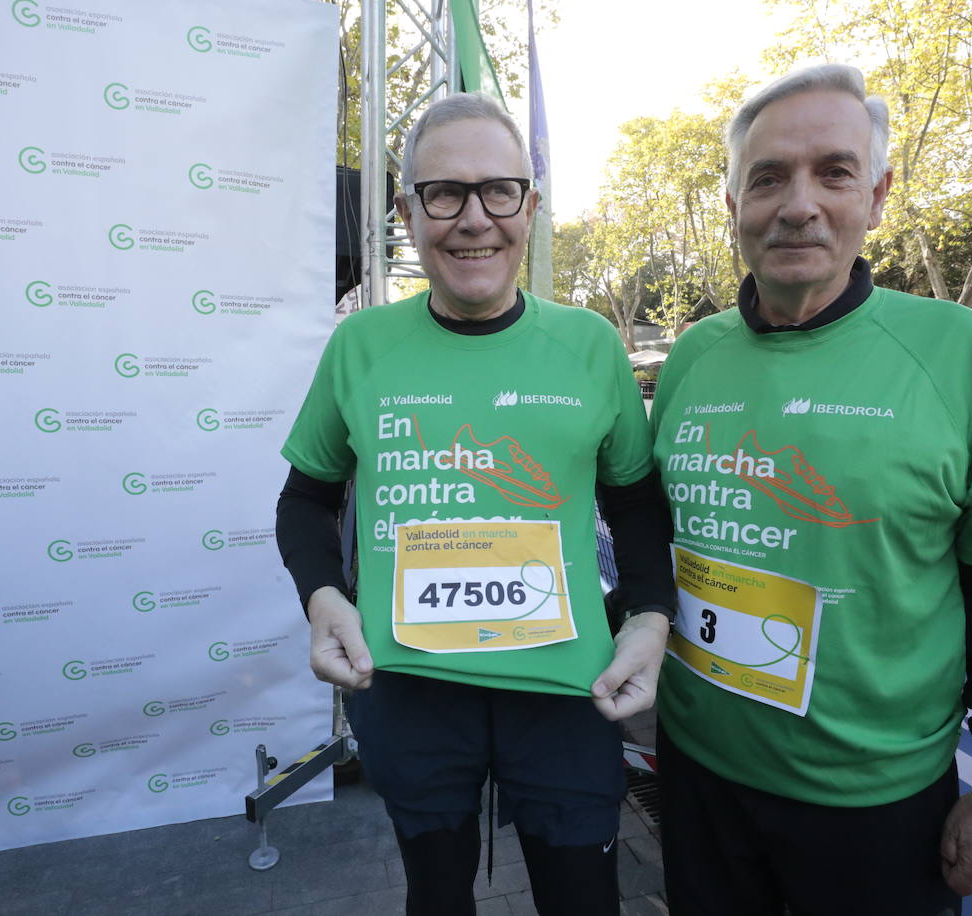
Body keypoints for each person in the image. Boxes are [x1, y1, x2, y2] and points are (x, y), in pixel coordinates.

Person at [649, 64, 972, 916]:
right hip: (700, 773)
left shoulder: (958, 351)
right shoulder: (692, 357)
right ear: (734, 201)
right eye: (769, 177)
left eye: (835, 172)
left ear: (880, 196)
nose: (799, 203)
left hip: (872, 804)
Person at [275, 92, 676, 916]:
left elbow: (634, 505)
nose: (473, 219)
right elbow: (305, 499)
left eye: (498, 191)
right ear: (406, 210)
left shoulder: (591, 344)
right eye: (443, 193)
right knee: (436, 897)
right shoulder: (360, 345)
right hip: (412, 692)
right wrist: (322, 597)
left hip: (567, 693)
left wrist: (650, 614)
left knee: (582, 899)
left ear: (530, 205)